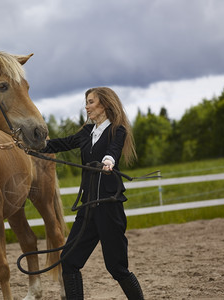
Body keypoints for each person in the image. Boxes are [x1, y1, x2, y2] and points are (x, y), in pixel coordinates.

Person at [41, 87, 144, 299]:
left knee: (116, 268)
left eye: (90, 102)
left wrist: (108, 161)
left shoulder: (118, 130)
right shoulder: (86, 132)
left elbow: (114, 150)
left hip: (108, 206)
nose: (86, 106)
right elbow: (61, 143)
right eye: (86, 102)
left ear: (104, 105)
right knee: (69, 262)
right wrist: (30, 145)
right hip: (87, 208)